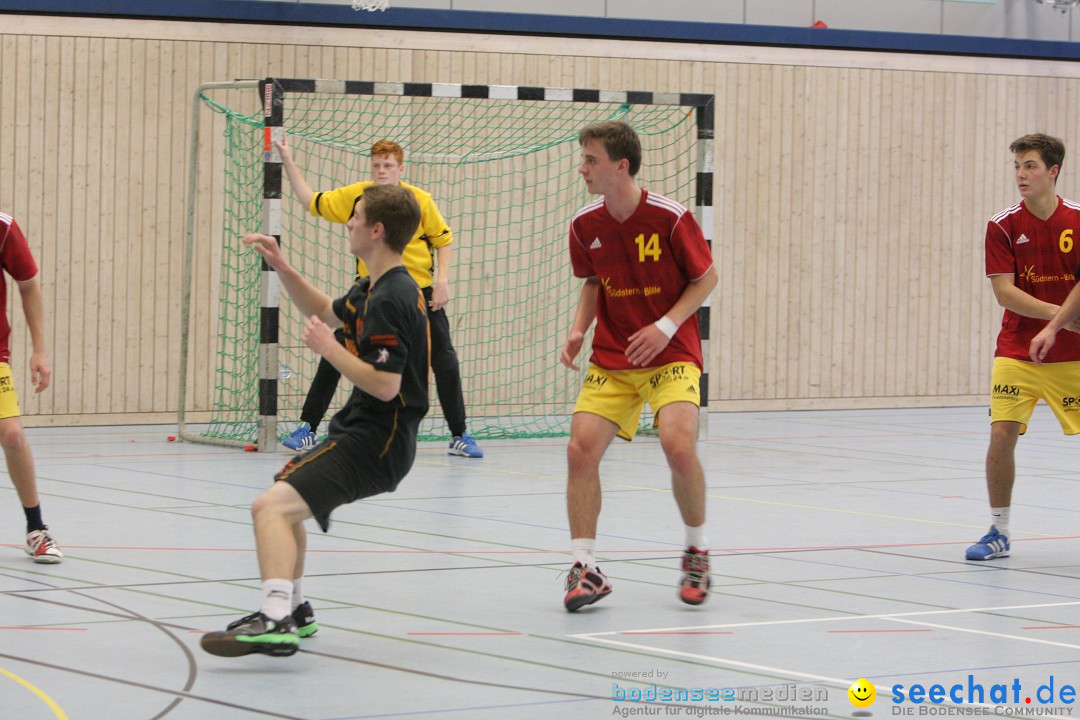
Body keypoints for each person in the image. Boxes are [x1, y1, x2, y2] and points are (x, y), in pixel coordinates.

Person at [201, 184, 429, 657]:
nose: (349, 222)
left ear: (377, 229)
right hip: (362, 432)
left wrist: (329, 350)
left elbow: (386, 385)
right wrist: (282, 268)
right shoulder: (373, 287)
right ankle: (295, 610)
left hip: (377, 442)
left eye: (356, 216)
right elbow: (327, 310)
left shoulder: (393, 296)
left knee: (271, 509)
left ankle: (276, 618)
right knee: (289, 502)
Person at [558, 121, 717, 610]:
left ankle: (696, 550)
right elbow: (591, 281)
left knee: (678, 447)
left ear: (619, 166)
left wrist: (665, 327)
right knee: (579, 451)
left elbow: (707, 279)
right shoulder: (585, 224)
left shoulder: (670, 218)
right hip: (614, 356)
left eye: (591, 160)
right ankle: (585, 568)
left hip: (670, 353)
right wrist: (579, 328)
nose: (582, 168)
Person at [275, 137, 483, 459]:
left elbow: (444, 239)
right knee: (337, 346)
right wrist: (287, 159)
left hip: (419, 294)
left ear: (401, 169)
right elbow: (310, 200)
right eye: (377, 165)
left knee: (445, 361)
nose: (382, 170)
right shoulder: (359, 199)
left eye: (388, 165)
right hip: (373, 293)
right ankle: (307, 427)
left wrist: (442, 282)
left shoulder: (418, 201)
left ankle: (460, 433)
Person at [968, 133, 1080, 561]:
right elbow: (1005, 293)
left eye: (1030, 165)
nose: (1021, 174)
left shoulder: (1078, 221)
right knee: (1001, 434)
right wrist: (1057, 318)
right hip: (1018, 349)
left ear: (1053, 171)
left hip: (1073, 355)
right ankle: (998, 530)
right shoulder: (1003, 225)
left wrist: (1058, 327)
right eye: (1017, 166)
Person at [0, 213, 60, 564]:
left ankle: (36, 529)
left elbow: (28, 284)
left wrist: (39, 350)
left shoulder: (4, 228)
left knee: (12, 436)